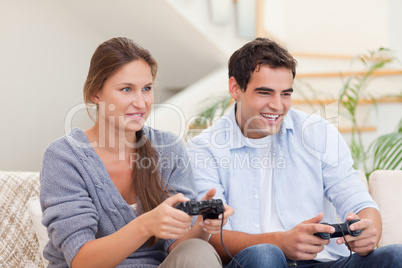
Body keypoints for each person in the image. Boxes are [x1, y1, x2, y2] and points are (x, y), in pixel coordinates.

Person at [187, 37, 402, 267]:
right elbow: (212, 236)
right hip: (257, 262)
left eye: (286, 94)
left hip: (324, 262)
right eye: (265, 93)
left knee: (396, 255)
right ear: (235, 88)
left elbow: (358, 201)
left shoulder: (318, 133)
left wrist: (369, 229)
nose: (278, 106)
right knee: (265, 255)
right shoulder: (205, 148)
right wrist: (280, 242)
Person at [40, 37, 233, 268]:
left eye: (147, 89)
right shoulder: (65, 157)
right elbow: (82, 261)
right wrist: (146, 225)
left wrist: (203, 224)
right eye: (126, 90)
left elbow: (177, 248)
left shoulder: (168, 148)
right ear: (95, 94)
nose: (141, 103)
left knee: (198, 248)